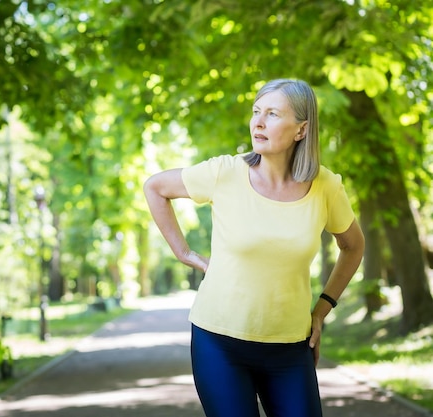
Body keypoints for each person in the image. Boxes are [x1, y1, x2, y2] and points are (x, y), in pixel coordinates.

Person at [143, 78, 365, 417]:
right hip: (219, 342)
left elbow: (353, 247)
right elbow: (155, 187)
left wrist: (321, 310)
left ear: (301, 130)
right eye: (256, 111)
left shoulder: (326, 186)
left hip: (291, 348)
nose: (258, 122)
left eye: (273, 114)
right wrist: (185, 254)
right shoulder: (225, 172)